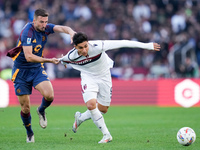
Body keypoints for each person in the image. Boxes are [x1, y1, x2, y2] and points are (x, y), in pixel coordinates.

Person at [59, 32, 161, 143]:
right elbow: (62, 60)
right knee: (91, 105)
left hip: (104, 76)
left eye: (85, 46)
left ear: (88, 43)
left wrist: (148, 46)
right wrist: (62, 62)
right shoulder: (71, 55)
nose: (84, 50)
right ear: (75, 47)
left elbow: (123, 43)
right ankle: (106, 135)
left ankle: (80, 118)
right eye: (80, 48)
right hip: (88, 78)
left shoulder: (98, 46)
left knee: (103, 109)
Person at [6, 8, 76, 143]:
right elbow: (29, 57)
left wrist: (71, 32)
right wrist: (49, 60)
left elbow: (63, 28)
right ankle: (29, 132)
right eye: (41, 22)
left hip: (37, 69)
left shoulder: (45, 28)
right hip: (21, 71)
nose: (44, 25)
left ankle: (41, 110)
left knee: (50, 95)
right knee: (25, 108)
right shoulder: (28, 32)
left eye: (46, 22)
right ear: (34, 20)